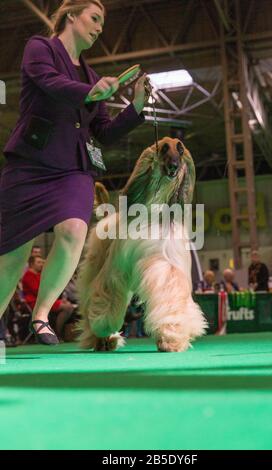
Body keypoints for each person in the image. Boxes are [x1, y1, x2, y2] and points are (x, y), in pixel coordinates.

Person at [0, 0, 147, 345]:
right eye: (94, 19)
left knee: (73, 231)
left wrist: (136, 107)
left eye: (102, 23)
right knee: (14, 255)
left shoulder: (92, 76)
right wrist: (91, 92)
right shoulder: (40, 48)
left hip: (74, 169)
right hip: (30, 164)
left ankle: (42, 315)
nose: (99, 28)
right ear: (71, 15)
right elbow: (48, 81)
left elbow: (104, 132)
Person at [22, 256, 74, 340]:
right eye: (39, 262)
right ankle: (58, 332)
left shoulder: (39, 275)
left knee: (68, 305)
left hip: (43, 300)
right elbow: (38, 291)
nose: (41, 264)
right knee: (67, 308)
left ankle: (58, 331)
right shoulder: (28, 275)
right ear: (31, 264)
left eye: (42, 262)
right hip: (34, 302)